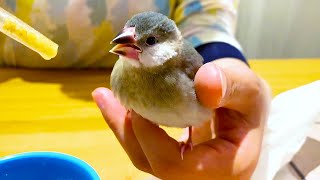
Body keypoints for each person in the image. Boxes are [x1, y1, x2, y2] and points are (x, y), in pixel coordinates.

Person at [0, 0, 271, 179]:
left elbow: (208, 18)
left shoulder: (185, 70)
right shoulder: (123, 69)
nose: (126, 46)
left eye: (149, 41)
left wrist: (226, 68)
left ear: (171, 47)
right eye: (127, 37)